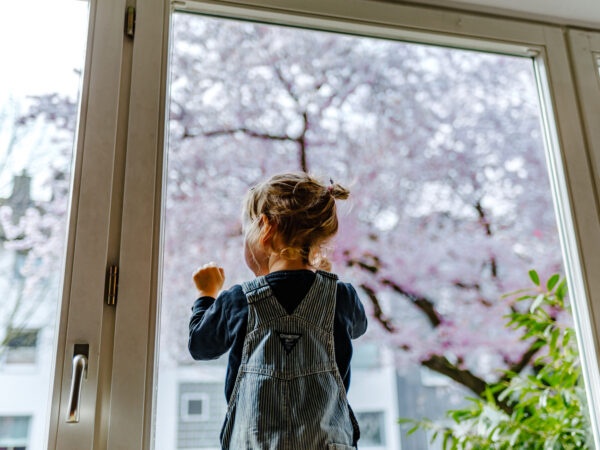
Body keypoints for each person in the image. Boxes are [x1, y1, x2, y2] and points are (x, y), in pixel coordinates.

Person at [188, 172, 368, 450]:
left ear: (265, 227)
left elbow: (200, 346)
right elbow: (358, 327)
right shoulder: (342, 296)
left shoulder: (238, 301)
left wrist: (206, 296)